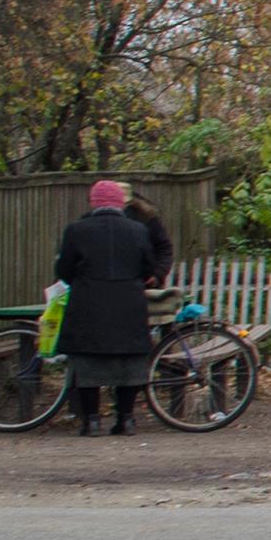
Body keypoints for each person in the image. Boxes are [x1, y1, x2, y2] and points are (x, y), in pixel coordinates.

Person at [52, 179, 164, 436]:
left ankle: (91, 421)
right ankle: (125, 420)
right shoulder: (139, 230)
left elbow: (63, 270)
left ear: (93, 203)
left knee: (87, 363)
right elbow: (149, 267)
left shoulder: (76, 230)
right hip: (128, 305)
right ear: (119, 203)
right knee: (129, 364)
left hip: (88, 304)